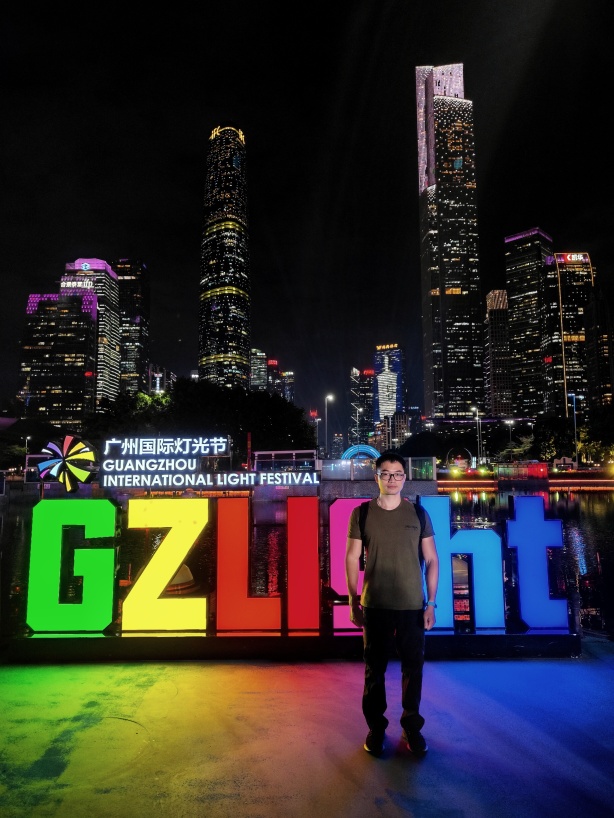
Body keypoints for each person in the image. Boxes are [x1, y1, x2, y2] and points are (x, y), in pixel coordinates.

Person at [345, 450, 439, 757]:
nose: (392, 479)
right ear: (377, 477)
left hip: (412, 605)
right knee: (374, 670)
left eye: (398, 474)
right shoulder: (361, 513)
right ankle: (376, 728)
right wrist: (352, 600)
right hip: (375, 605)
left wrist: (431, 603)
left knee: (413, 669)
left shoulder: (418, 514)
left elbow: (432, 559)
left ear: (405, 477)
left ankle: (412, 726)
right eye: (386, 473)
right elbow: (351, 558)